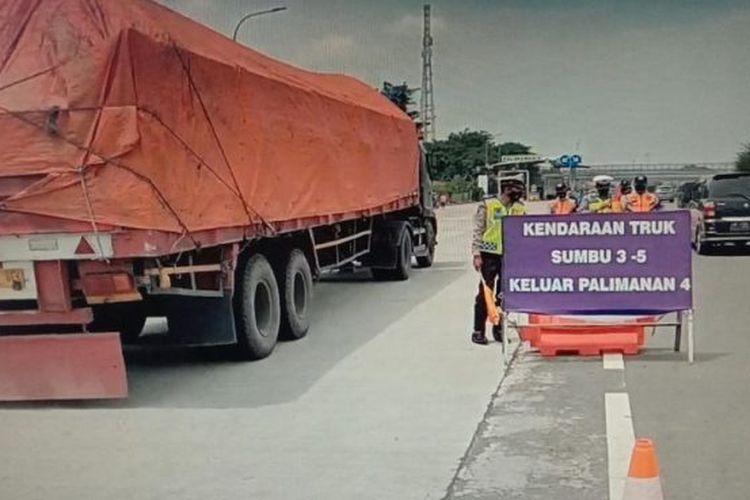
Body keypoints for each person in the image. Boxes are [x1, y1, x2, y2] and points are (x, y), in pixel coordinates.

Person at [470, 175, 527, 345]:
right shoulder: (488, 205)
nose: (519, 193)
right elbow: (478, 230)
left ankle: (498, 329)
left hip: (509, 256)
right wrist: (476, 254)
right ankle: (478, 330)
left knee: (503, 295)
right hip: (488, 255)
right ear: (506, 189)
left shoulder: (519, 208)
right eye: (516, 190)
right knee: (484, 295)